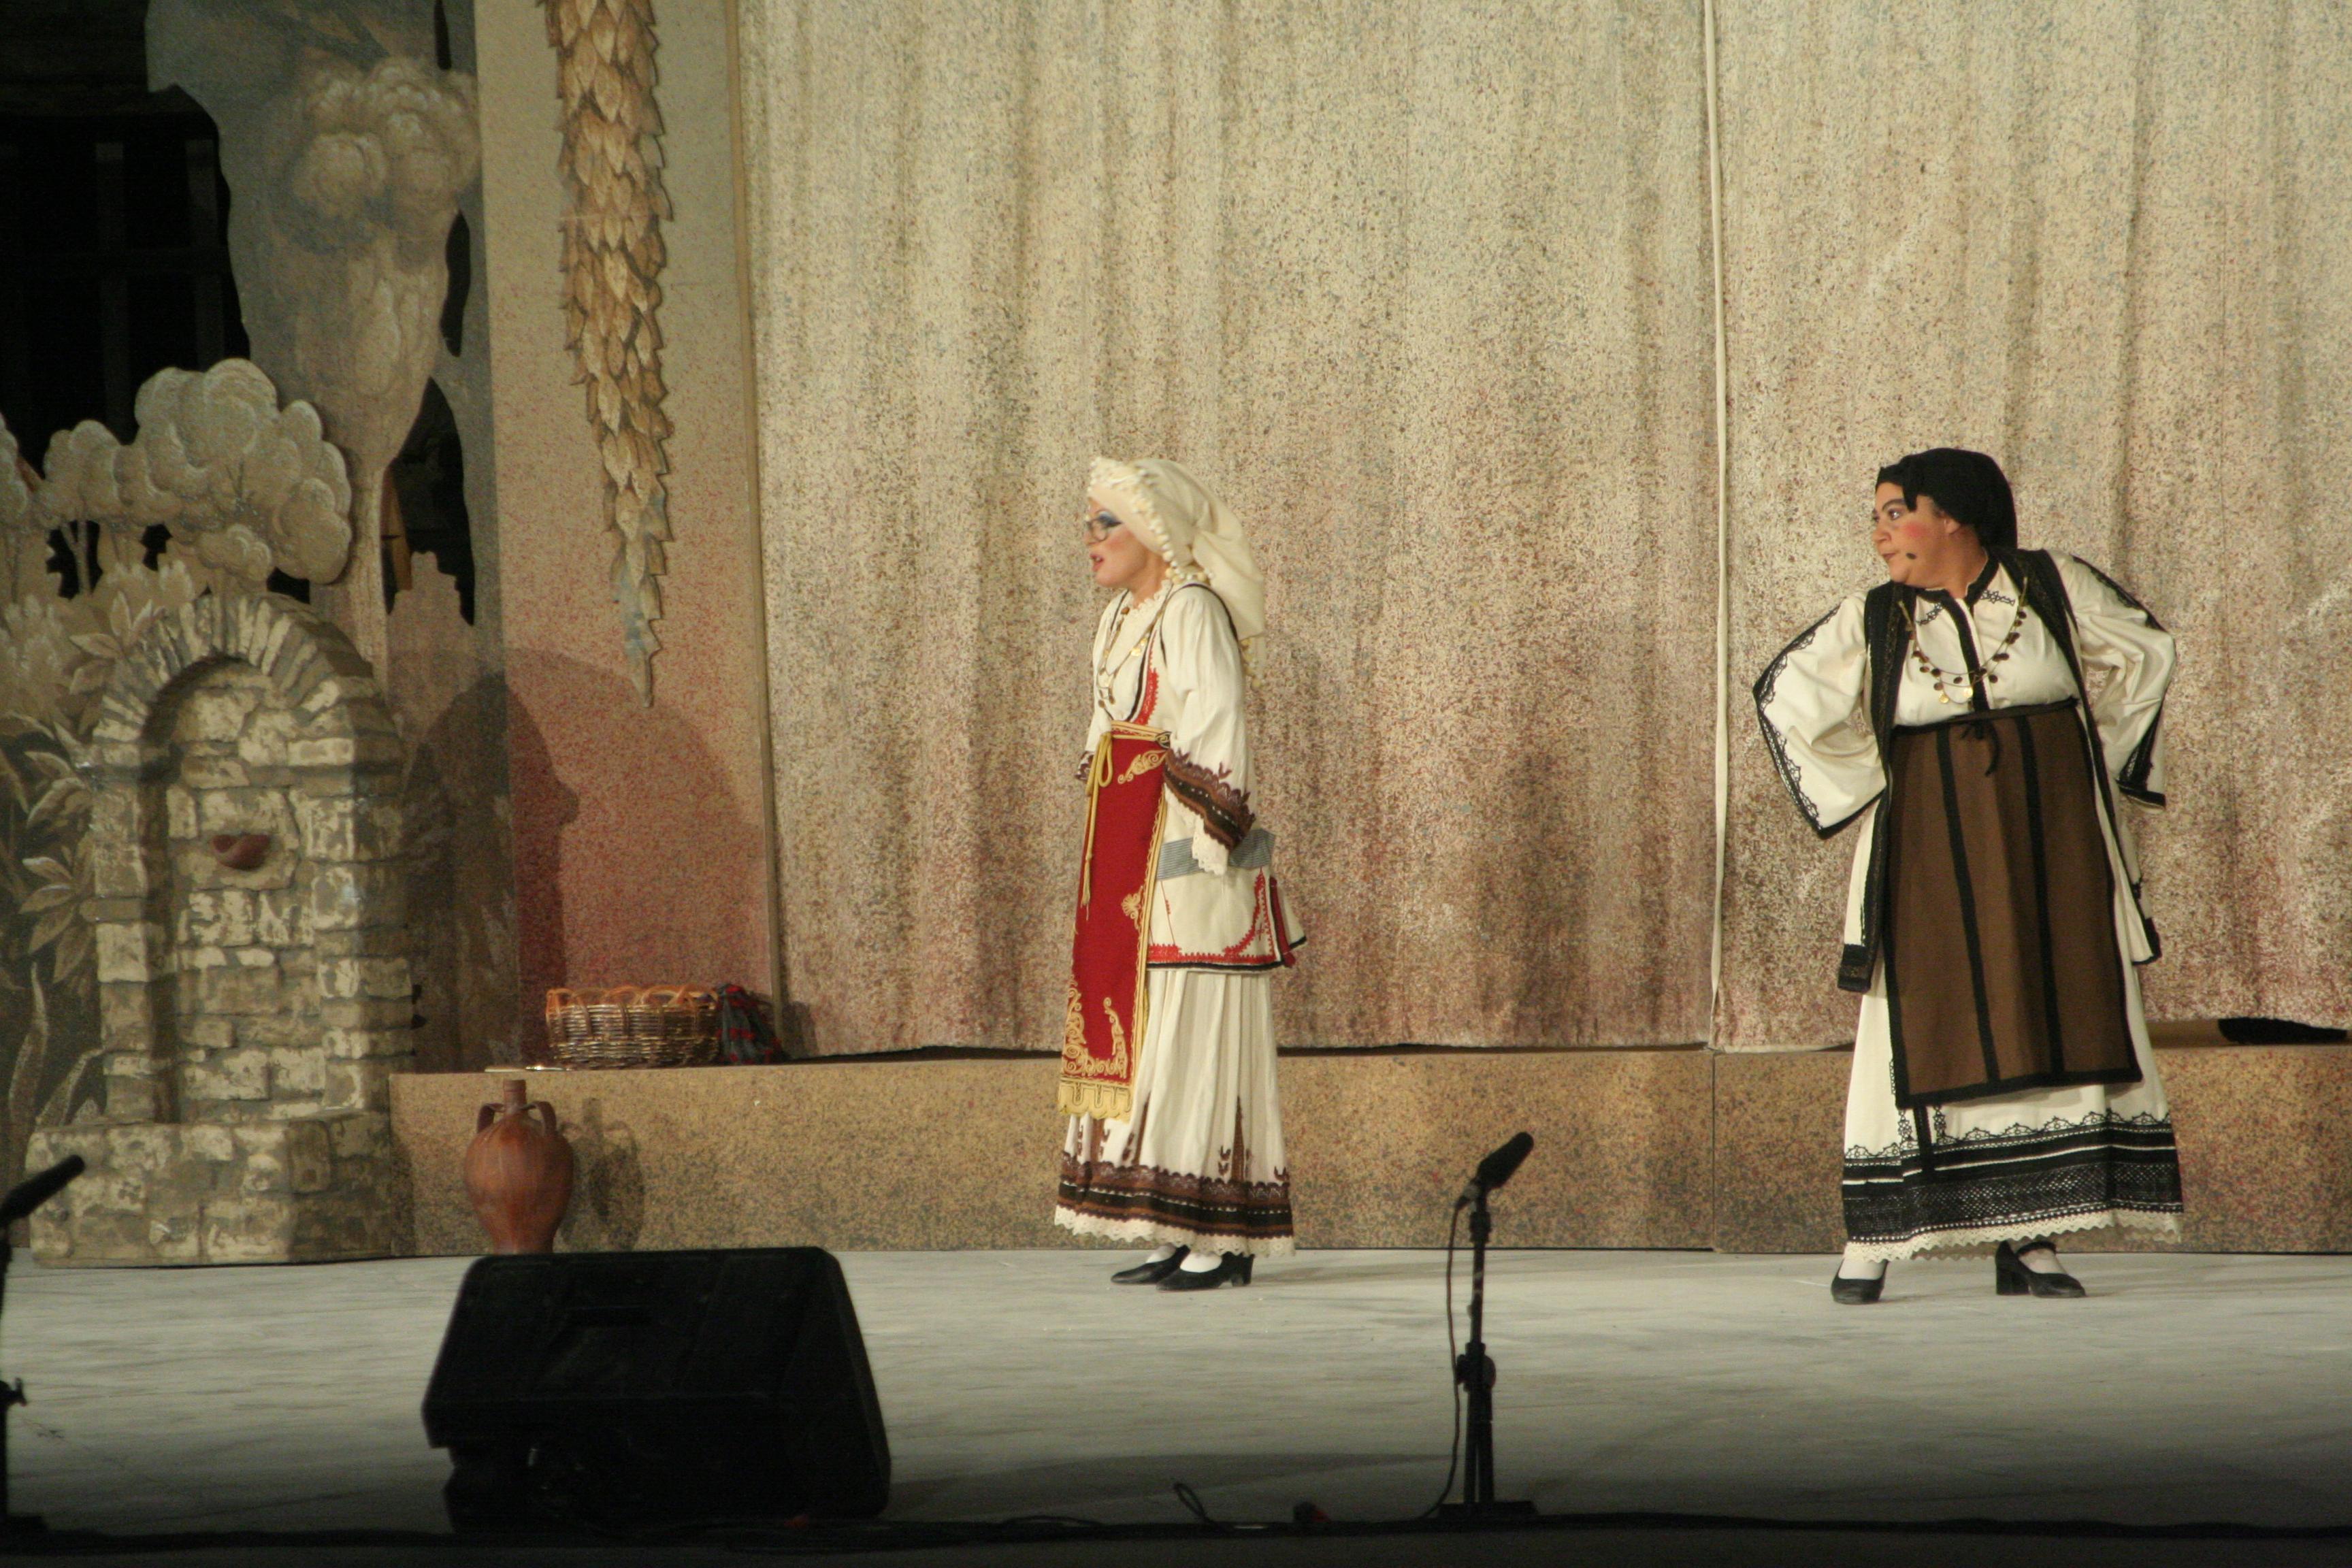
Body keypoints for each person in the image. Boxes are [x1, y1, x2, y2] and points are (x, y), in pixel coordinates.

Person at [1753, 448, 2183, 1303]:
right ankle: (1876, 1236)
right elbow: (1784, 695)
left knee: (2052, 1004)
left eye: (1895, 513)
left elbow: (2145, 653)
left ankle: (2030, 1238)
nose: (1881, 534)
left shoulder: (2049, 585)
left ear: (1950, 516)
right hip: (1929, 846)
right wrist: (1883, 779)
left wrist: (2088, 758)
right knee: (1917, 1016)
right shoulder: (1874, 618)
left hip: (2050, 838)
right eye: (1877, 518)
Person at [1054, 457, 1305, 1290]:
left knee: (1198, 1036)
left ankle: (1218, 1235)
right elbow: (1107, 728)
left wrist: (1206, 844)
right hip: (1128, 848)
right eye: (1089, 522)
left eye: (1106, 522)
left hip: (1190, 852)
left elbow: (1217, 723)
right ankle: (1167, 1221)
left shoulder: (1191, 610)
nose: (1090, 538)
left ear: (1154, 531)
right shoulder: (1121, 618)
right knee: (1152, 1040)